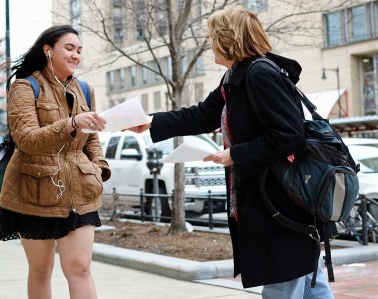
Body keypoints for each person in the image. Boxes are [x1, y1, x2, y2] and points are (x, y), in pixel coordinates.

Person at [127, 6, 334, 299]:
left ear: (227, 38)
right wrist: (151, 122)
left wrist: (236, 155)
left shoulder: (260, 74)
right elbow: (202, 115)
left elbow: (289, 134)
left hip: (282, 205)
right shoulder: (235, 77)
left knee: (282, 286)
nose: (210, 41)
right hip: (275, 203)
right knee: (311, 287)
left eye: (212, 36)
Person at [0, 24, 111, 299]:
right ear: (48, 51)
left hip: (80, 192)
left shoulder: (85, 89)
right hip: (34, 192)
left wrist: (99, 167)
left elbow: (92, 140)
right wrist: (70, 123)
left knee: (80, 268)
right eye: (69, 48)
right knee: (41, 271)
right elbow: (27, 139)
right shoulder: (25, 87)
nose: (76, 55)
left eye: (79, 50)